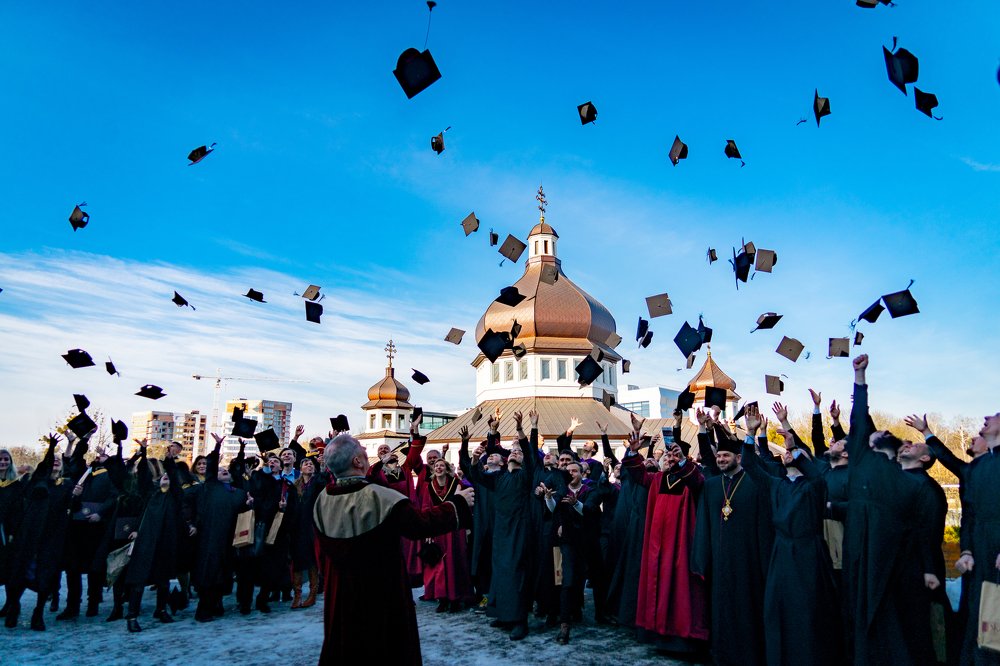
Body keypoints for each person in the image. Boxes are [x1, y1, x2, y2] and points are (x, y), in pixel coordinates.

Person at [312, 432, 475, 665]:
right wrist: (458, 503)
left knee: (346, 647)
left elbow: (320, 554)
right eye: (361, 448)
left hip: (340, 593)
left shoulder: (322, 500)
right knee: (384, 648)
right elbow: (419, 525)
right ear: (357, 462)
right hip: (380, 593)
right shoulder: (379, 496)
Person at [842, 354, 939, 666]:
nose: (873, 434)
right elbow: (860, 418)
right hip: (858, 553)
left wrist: (927, 569)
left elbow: (926, 532)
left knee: (890, 627)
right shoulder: (862, 460)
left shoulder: (914, 484)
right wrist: (859, 377)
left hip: (891, 566)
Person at [742, 405, 841, 666]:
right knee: (778, 608)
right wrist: (751, 433)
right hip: (781, 554)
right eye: (785, 452)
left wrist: (794, 446)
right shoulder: (777, 485)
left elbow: (817, 473)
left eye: (791, 453)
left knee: (808, 610)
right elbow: (750, 465)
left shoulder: (814, 487)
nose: (786, 455)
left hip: (809, 554)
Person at [692, 408, 773, 666]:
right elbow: (703, 523)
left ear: (739, 457)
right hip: (720, 561)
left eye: (727, 455)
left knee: (747, 610)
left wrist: (752, 433)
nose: (721, 459)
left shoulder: (754, 482)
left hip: (748, 562)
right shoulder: (712, 485)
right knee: (721, 610)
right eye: (720, 456)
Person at [622, 419, 708, 658]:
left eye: (673, 458)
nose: (669, 461)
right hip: (657, 545)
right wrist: (633, 450)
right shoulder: (657, 480)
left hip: (682, 545)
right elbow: (638, 473)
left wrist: (682, 460)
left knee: (681, 590)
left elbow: (697, 480)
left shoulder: (691, 477)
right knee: (658, 587)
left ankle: (683, 638)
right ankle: (660, 633)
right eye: (667, 458)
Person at [4, 434, 77, 631]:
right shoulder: (36, 480)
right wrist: (52, 447)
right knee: (18, 572)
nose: (55, 463)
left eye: (57, 462)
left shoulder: (67, 485)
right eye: (52, 461)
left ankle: (38, 613)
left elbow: (70, 507)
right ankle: (13, 607)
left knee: (45, 576)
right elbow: (44, 467)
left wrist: (75, 497)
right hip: (29, 535)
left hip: (51, 537)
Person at [483, 410, 539, 641]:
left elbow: (530, 451)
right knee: (502, 573)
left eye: (518, 452)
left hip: (519, 529)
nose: (515, 452)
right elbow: (481, 464)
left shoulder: (525, 476)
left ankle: (520, 621)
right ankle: (504, 615)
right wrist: (492, 433)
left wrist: (523, 429)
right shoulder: (499, 478)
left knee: (517, 574)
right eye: (512, 451)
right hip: (501, 531)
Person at [123, 448, 190, 633]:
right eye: (163, 475)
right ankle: (132, 616)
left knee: (163, 579)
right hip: (147, 539)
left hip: (166, 541)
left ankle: (161, 610)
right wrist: (143, 454)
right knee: (139, 579)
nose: (166, 477)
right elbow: (143, 478)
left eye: (168, 476)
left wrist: (169, 461)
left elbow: (175, 482)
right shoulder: (149, 494)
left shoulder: (174, 496)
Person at [192, 433, 250, 622]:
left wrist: (250, 503)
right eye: (220, 470)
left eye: (226, 470)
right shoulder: (210, 488)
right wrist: (217, 448)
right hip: (210, 537)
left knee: (224, 574)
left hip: (230, 539)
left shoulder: (239, 493)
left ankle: (217, 603)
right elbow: (211, 468)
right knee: (209, 573)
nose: (223, 471)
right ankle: (204, 609)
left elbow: (245, 512)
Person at [417, 454, 474, 612]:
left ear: (447, 469)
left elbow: (465, 506)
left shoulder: (457, 484)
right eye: (436, 466)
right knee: (440, 565)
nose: (438, 468)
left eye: (441, 465)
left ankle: (456, 598)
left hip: (455, 530)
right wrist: (427, 530)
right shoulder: (429, 486)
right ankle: (442, 597)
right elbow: (426, 508)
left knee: (455, 562)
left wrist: (468, 527)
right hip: (438, 530)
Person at [291, 456, 326, 609]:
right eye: (306, 463)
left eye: (311, 463)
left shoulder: (317, 482)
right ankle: (297, 595)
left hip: (313, 525)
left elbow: (325, 480)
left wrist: (323, 465)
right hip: (298, 527)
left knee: (313, 559)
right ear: (300, 468)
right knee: (297, 561)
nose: (309, 465)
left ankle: (312, 594)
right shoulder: (295, 486)